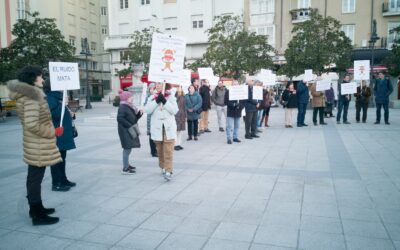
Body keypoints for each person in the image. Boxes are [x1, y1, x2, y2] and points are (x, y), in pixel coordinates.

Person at [7, 65, 61, 225]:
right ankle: (37, 214)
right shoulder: (31, 97)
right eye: (40, 76)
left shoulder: (29, 94)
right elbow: (32, 124)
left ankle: (37, 208)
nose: (43, 79)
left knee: (34, 177)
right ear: (32, 78)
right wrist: (52, 131)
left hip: (35, 143)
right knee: (35, 179)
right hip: (38, 144)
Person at [43, 79, 76, 191]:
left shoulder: (58, 98)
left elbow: (64, 114)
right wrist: (64, 105)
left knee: (62, 158)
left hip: (63, 133)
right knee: (56, 160)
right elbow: (53, 115)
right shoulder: (50, 98)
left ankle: (63, 179)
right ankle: (56, 183)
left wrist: (70, 113)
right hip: (57, 133)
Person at [145, 83, 178, 181]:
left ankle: (168, 170)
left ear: (165, 86)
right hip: (157, 128)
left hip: (168, 128)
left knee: (168, 150)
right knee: (160, 151)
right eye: (157, 84)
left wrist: (165, 101)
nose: (158, 86)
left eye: (160, 84)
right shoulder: (152, 97)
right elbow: (148, 110)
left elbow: (174, 110)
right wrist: (156, 101)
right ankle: (163, 166)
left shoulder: (171, 97)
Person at [117, 90, 142, 174]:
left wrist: (139, 114)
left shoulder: (129, 106)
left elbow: (133, 119)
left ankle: (126, 164)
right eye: (131, 97)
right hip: (125, 131)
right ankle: (125, 168)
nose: (132, 98)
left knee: (128, 148)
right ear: (126, 98)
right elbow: (119, 118)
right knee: (127, 149)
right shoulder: (123, 107)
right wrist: (129, 125)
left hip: (128, 130)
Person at [145, 83, 157, 157]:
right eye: (151, 88)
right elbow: (146, 107)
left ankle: (155, 150)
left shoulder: (157, 96)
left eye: (153, 88)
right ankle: (153, 151)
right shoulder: (148, 97)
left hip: (156, 117)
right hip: (150, 117)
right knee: (151, 135)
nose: (152, 90)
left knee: (156, 134)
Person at [174, 86, 186, 150]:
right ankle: (175, 144)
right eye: (178, 88)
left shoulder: (183, 97)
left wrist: (185, 115)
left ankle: (179, 144)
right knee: (176, 130)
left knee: (180, 131)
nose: (179, 89)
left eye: (180, 88)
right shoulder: (174, 97)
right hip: (176, 115)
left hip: (182, 115)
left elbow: (184, 107)